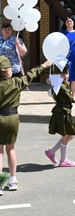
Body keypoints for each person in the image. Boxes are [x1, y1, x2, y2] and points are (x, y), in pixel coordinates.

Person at [0, 56, 51, 195]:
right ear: (6, 72)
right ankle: (12, 180)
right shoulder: (16, 83)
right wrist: (44, 65)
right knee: (11, 149)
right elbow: (30, 74)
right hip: (12, 118)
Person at [44, 65, 75, 167]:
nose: (66, 76)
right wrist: (53, 79)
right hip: (61, 112)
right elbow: (49, 80)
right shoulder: (58, 86)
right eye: (62, 74)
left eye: (66, 73)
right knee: (67, 135)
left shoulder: (63, 84)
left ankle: (51, 152)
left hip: (65, 111)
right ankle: (63, 160)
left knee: (69, 135)